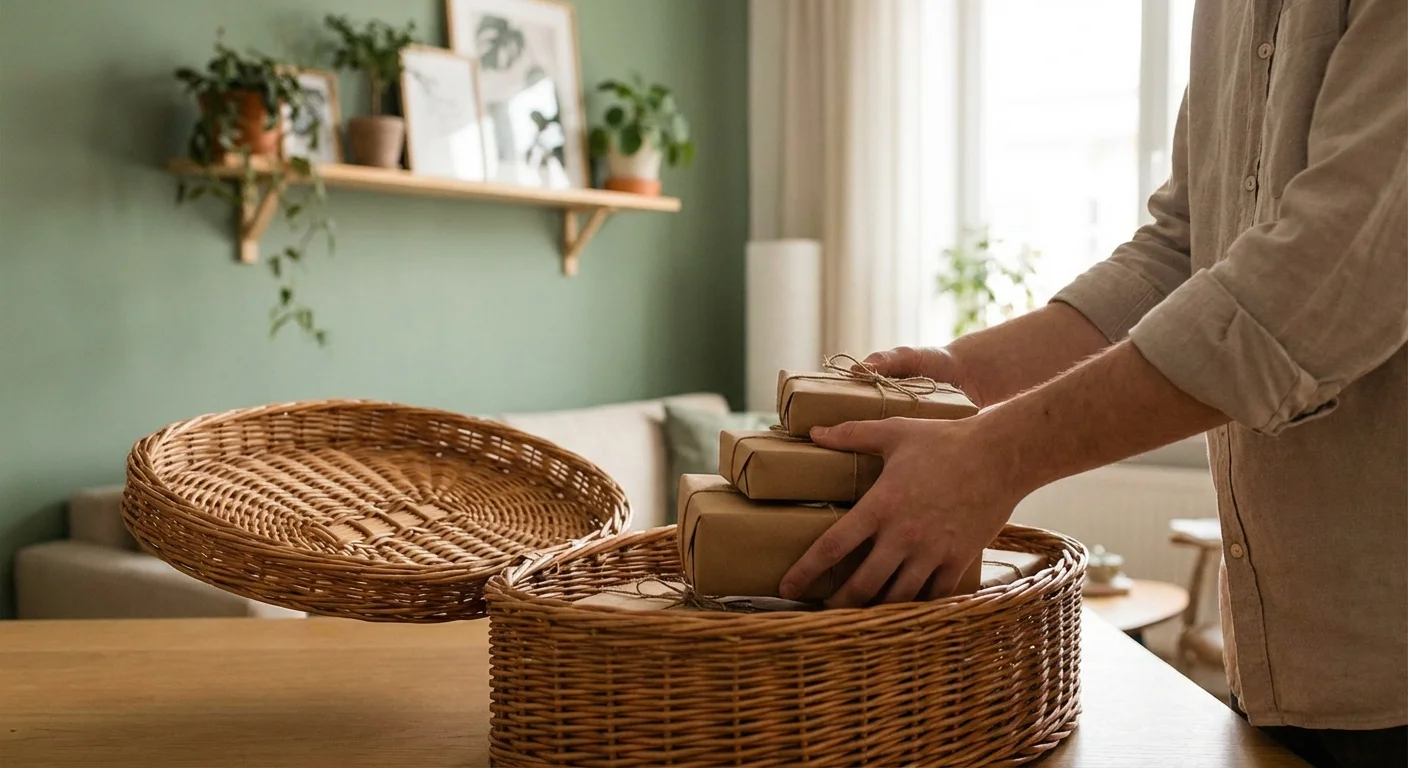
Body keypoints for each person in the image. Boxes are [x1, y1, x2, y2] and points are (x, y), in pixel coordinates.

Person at [778, 1, 1407, 766]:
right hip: (1287, 663)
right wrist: (966, 375)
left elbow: (1325, 279)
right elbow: (1179, 252)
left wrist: (994, 456)